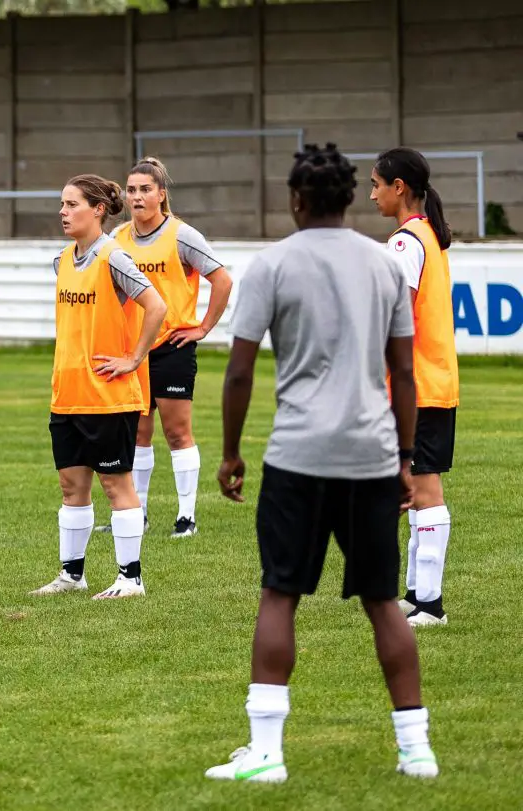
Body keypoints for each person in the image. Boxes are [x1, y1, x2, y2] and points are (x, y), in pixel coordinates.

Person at [207, 144, 438, 781]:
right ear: (344, 197)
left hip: (298, 456)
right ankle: (416, 750)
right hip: (370, 455)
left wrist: (230, 452)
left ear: (298, 199)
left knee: (280, 594)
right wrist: (405, 458)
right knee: (384, 602)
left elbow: (240, 371)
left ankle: (267, 755)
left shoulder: (272, 264)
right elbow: (402, 373)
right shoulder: (384, 264)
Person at [30, 174, 167, 600]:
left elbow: (156, 306)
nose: (63, 212)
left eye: (72, 204)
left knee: (116, 486)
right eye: (63, 204)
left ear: (98, 210)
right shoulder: (62, 261)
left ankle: (131, 579)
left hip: (109, 397)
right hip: (68, 394)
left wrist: (134, 357)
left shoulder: (115, 258)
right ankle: (72, 575)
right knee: (72, 486)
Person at [105, 157, 232, 539]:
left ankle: (186, 517)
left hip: (173, 345)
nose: (137, 196)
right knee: (139, 433)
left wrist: (203, 328)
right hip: (135, 351)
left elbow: (222, 281)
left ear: (161, 194)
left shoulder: (182, 235)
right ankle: (138, 512)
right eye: (131, 190)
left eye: (145, 189)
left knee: (178, 433)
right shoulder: (118, 239)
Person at [370, 148, 459, 627]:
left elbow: (395, 317)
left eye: (376, 184)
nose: (372, 194)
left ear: (398, 187)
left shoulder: (405, 243)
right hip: (432, 381)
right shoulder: (428, 235)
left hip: (416, 387)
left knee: (424, 488)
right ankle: (415, 594)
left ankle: (431, 603)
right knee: (414, 488)